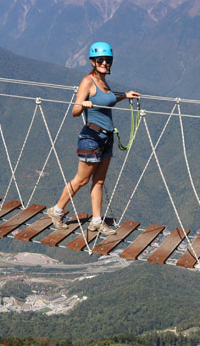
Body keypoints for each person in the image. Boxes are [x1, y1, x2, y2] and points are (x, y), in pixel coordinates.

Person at [46, 42, 140, 235]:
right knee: (81, 180)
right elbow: (74, 110)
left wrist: (124, 96)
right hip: (90, 139)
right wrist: (84, 105)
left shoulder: (104, 82)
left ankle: (96, 221)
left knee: (98, 182)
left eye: (108, 60)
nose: (105, 63)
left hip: (106, 139)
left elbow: (107, 98)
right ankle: (56, 211)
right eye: (101, 60)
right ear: (93, 61)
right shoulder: (88, 81)